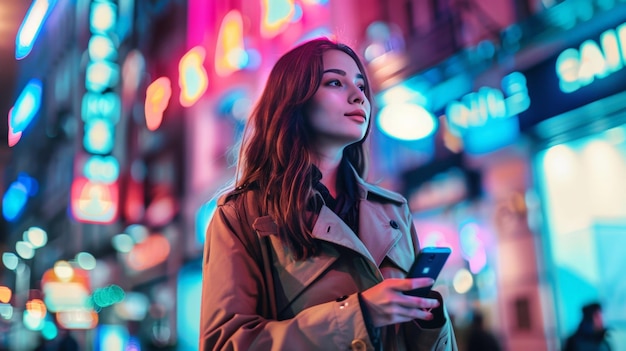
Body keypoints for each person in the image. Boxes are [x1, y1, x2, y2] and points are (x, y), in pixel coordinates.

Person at [199, 37, 458, 351]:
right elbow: (224, 344)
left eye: (361, 86)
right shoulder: (240, 215)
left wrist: (429, 323)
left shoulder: (394, 211)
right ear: (294, 100)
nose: (358, 96)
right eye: (336, 82)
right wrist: (358, 315)